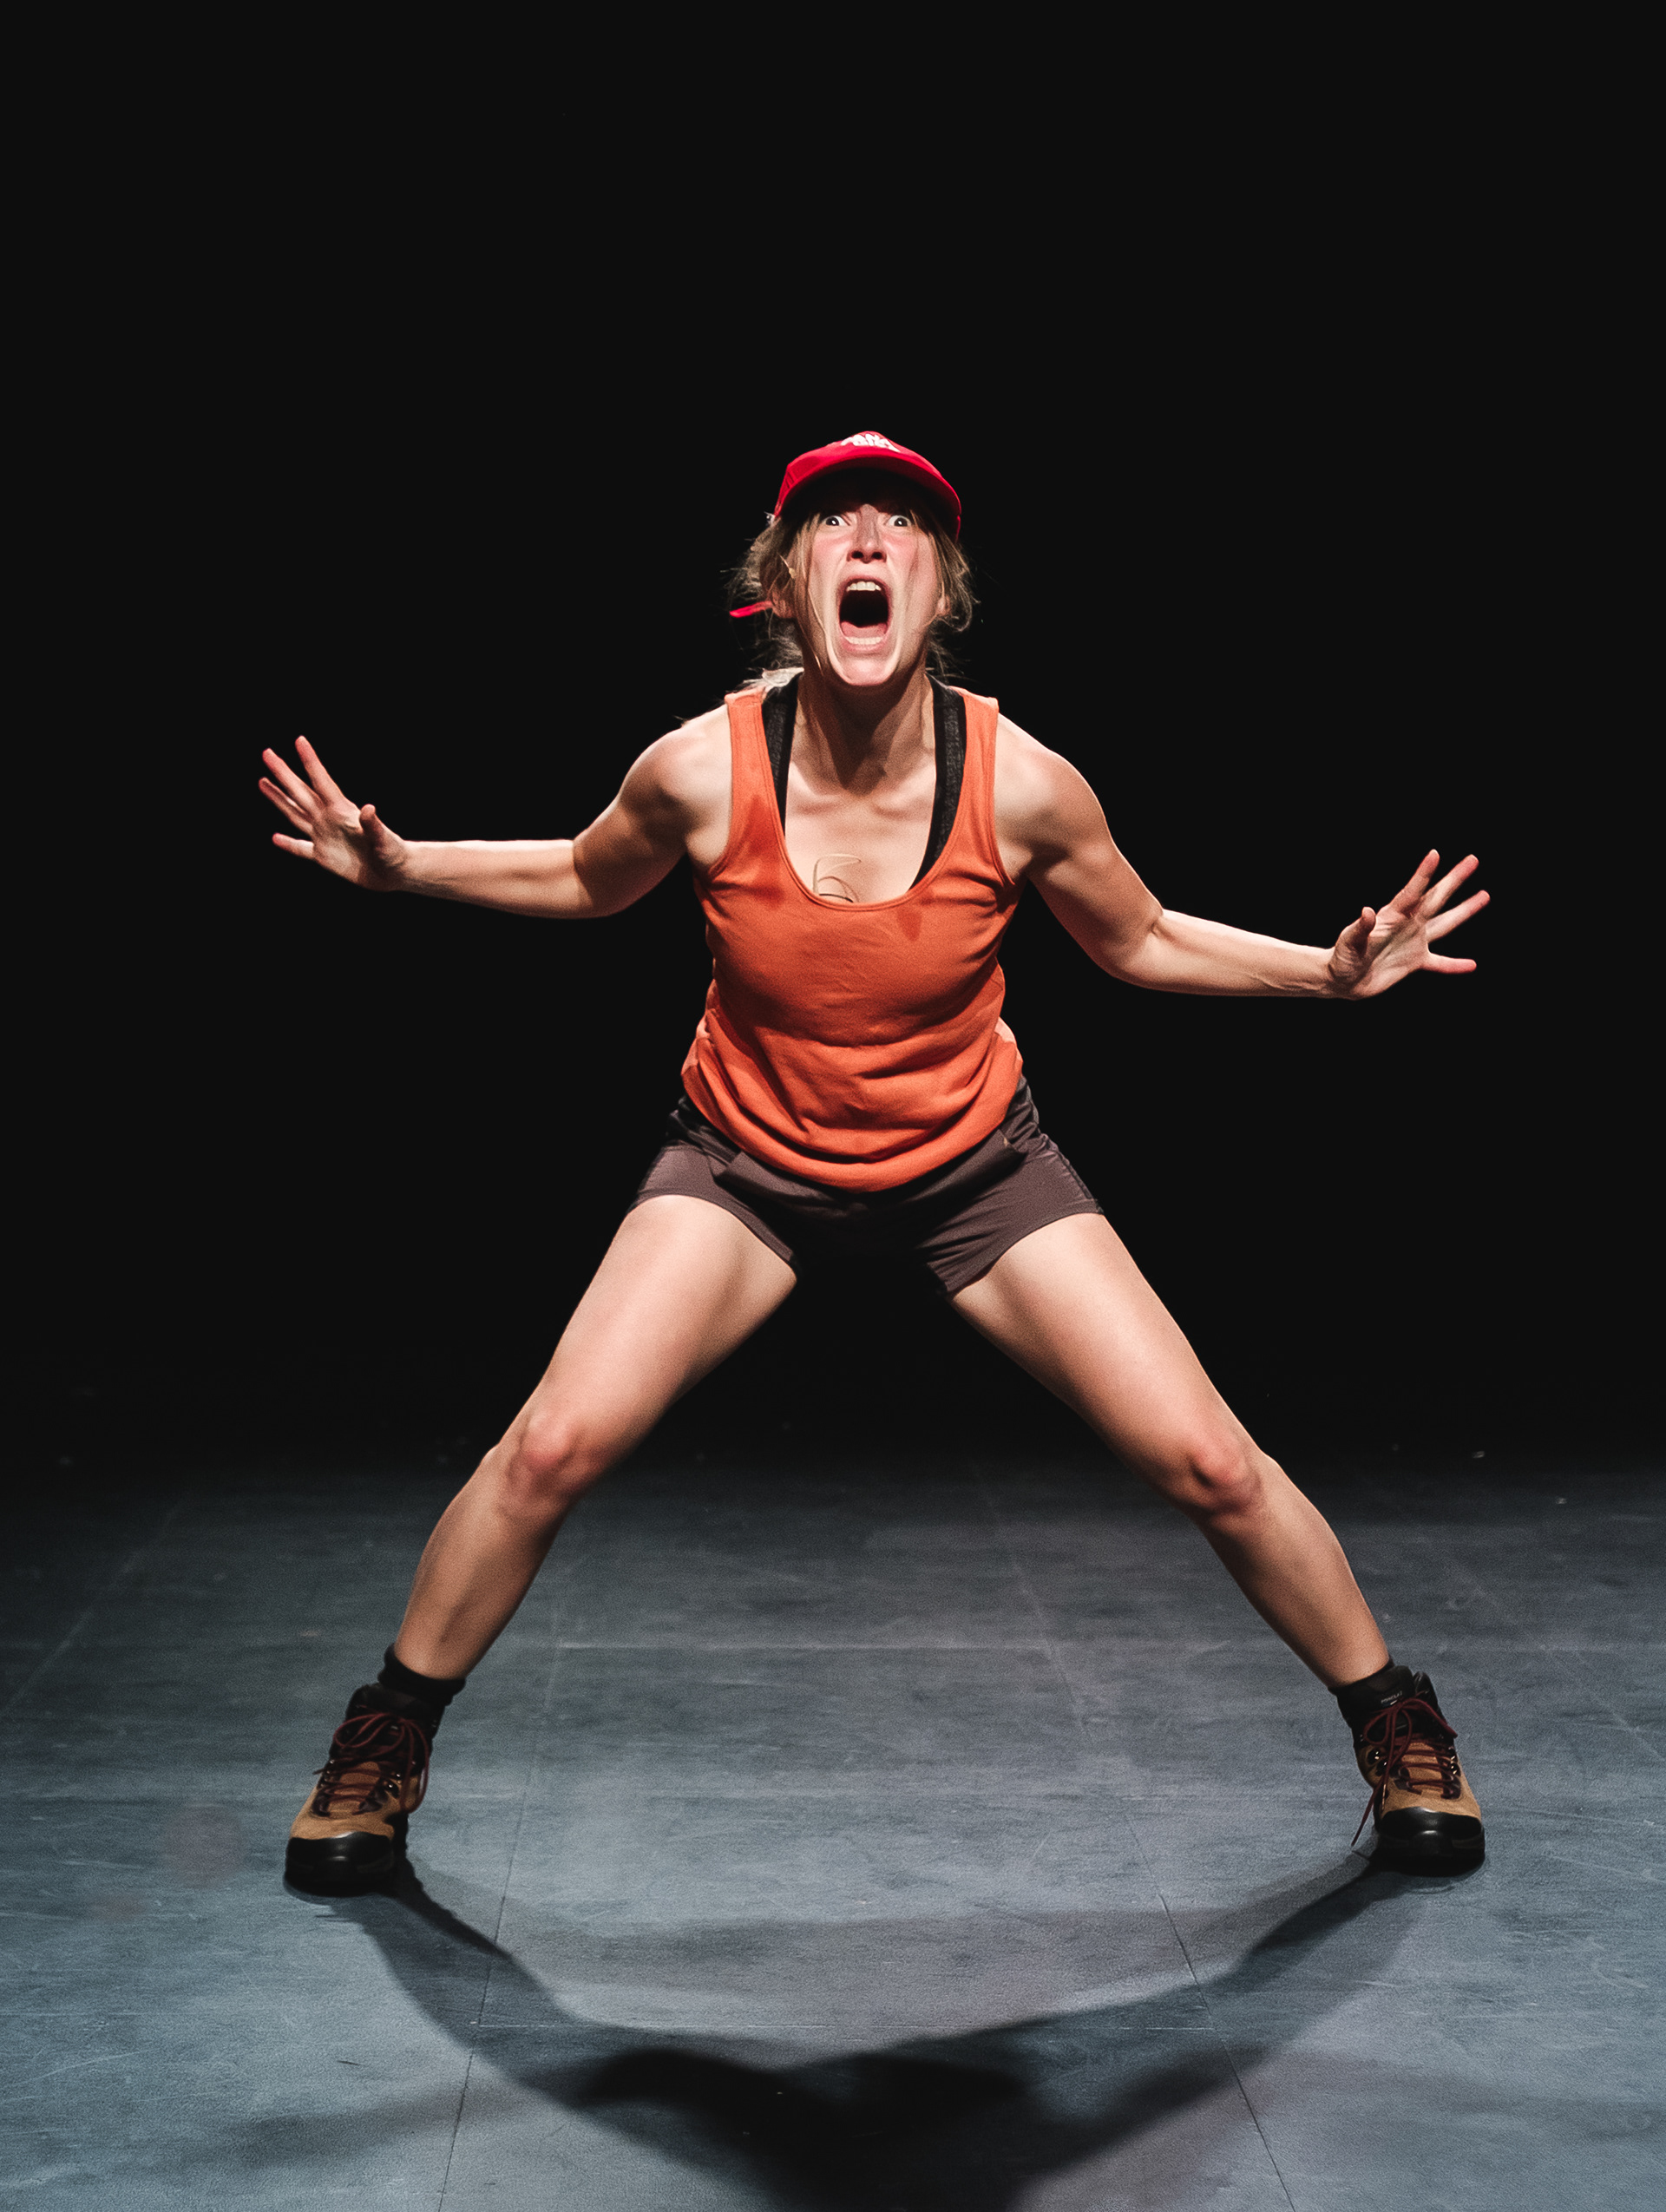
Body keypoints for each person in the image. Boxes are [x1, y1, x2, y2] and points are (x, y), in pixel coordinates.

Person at [259, 430, 1490, 1897]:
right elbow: (588, 875)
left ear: (938, 588)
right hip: (745, 1168)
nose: (864, 541)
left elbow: (1144, 938)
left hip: (974, 1170)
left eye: (898, 524)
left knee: (1213, 1461)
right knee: (549, 1449)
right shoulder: (700, 769)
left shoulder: (1021, 784)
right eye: (832, 521)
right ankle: (383, 1744)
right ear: (783, 582)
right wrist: (407, 866)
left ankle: (1399, 1726)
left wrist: (1324, 976)